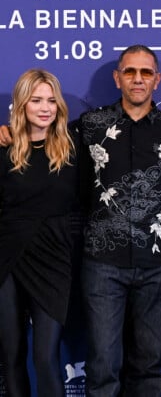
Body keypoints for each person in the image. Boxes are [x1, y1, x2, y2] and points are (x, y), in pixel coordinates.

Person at [79, 45, 161, 396]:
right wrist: (9, 133)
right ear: (118, 78)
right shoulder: (88, 127)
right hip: (102, 263)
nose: (138, 79)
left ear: (156, 80)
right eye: (130, 72)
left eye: (146, 72)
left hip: (158, 265)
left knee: (148, 365)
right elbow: (44, 146)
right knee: (102, 365)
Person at [0, 69, 79, 397]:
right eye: (36, 100)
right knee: (11, 354)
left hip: (54, 259)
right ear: (21, 105)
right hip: (7, 259)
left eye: (51, 100)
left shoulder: (74, 149)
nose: (45, 107)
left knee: (46, 357)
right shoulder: (4, 149)